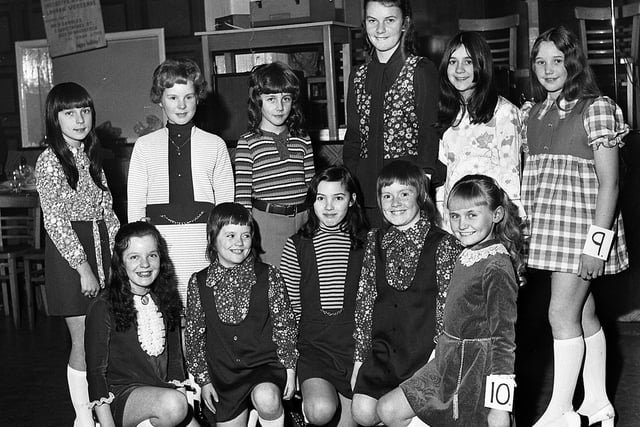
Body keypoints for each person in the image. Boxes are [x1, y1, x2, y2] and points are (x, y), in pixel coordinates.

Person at [522, 27, 629, 427]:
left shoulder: (596, 108)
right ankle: (598, 403)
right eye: (540, 61)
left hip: (580, 233)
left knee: (559, 315)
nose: (549, 69)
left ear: (573, 61)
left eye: (557, 60)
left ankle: (560, 410)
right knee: (583, 315)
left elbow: (611, 184)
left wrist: (596, 246)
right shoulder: (531, 113)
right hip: (549, 231)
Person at [378, 175, 525, 427]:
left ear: (497, 214)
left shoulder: (497, 267)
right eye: (455, 216)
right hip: (446, 361)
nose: (461, 224)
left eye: (472, 215)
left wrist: (500, 408)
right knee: (388, 409)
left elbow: (504, 340)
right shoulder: (469, 252)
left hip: (475, 372)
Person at [350, 160, 461, 426]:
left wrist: (438, 364)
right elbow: (364, 304)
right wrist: (359, 362)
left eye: (404, 194)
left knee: (392, 414)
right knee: (362, 413)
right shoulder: (375, 240)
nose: (395, 202)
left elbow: (448, 312)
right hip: (384, 354)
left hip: (423, 355)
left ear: (421, 196)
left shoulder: (443, 244)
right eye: (387, 195)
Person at [35, 82, 120, 427]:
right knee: (84, 340)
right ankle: (84, 417)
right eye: (69, 112)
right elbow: (55, 221)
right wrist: (83, 268)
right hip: (71, 254)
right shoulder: (49, 160)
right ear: (55, 119)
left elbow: (109, 212)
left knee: (103, 337)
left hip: (100, 247)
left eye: (84, 111)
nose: (79, 119)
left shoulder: (91, 156)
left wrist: (117, 257)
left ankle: (101, 410)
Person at [127, 58, 234, 303]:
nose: (181, 105)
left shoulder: (215, 145)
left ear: (198, 97)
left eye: (188, 96)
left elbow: (227, 207)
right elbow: (135, 207)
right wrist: (141, 252)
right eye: (173, 97)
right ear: (160, 100)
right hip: (160, 246)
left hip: (203, 244)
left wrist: (222, 247)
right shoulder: (144, 146)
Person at [185, 203, 298, 427]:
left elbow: (285, 325)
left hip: (264, 367)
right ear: (213, 238)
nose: (239, 243)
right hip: (225, 376)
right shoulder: (199, 283)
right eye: (230, 235)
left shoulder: (269, 275)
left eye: (245, 235)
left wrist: (290, 369)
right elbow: (194, 337)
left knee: (267, 398)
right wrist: (204, 380)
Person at [85, 222, 199, 427]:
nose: (145, 264)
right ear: (121, 263)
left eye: (152, 255)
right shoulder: (102, 306)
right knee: (174, 405)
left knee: (178, 407)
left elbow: (175, 363)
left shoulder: (167, 298)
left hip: (162, 394)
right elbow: (96, 375)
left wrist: (184, 414)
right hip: (120, 398)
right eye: (134, 257)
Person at [280, 166, 369, 427]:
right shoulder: (296, 245)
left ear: (352, 200)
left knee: (360, 415)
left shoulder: (367, 243)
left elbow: (371, 307)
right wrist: (290, 364)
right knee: (321, 410)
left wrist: (364, 356)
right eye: (321, 198)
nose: (329, 206)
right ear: (312, 201)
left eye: (338, 198)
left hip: (353, 346)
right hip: (313, 347)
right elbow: (289, 311)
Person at [342, 0, 441, 228]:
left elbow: (429, 131)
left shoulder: (421, 70)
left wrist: (422, 184)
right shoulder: (357, 75)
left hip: (407, 194)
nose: (380, 30)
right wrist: (351, 183)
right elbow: (354, 137)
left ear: (404, 24)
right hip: (366, 194)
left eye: (389, 20)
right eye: (372, 21)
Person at [435, 31, 524, 231]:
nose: (459, 69)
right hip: (454, 223)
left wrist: (511, 227)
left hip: (489, 225)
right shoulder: (446, 114)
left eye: (468, 61)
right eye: (452, 62)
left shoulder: (504, 112)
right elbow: (444, 178)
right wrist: (441, 224)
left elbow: (511, 177)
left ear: (481, 64)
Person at [234, 61, 315, 267]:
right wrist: (245, 233)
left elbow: (312, 188)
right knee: (274, 282)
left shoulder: (303, 139)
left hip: (303, 221)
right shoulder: (248, 142)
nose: (280, 107)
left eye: (285, 99)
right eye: (271, 99)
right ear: (257, 101)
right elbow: (242, 196)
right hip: (267, 225)